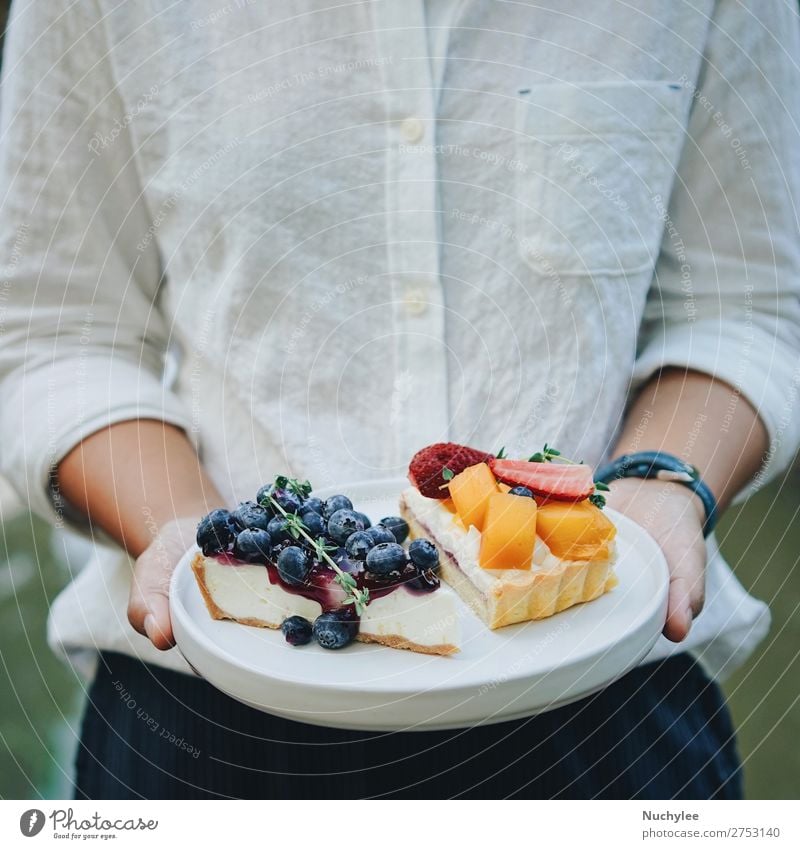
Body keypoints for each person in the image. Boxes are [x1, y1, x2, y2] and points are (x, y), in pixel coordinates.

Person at [1, 0, 798, 799]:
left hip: (611, 697)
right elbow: (57, 334)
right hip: (204, 711)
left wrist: (664, 486)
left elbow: (748, 306)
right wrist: (196, 536)